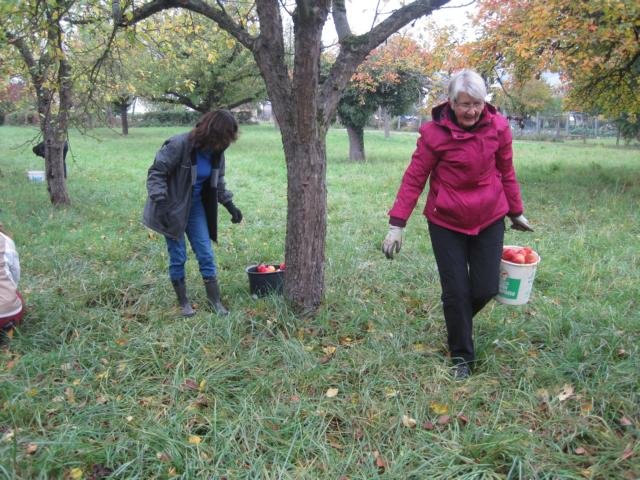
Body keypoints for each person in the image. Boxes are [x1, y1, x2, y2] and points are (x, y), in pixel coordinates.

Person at [382, 69, 533, 379]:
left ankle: (457, 321)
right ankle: (462, 356)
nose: (471, 111)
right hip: (446, 222)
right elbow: (414, 178)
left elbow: (506, 170)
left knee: (487, 287)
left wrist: (515, 212)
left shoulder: (499, 128)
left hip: (489, 217)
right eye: (464, 104)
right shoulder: (433, 134)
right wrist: (397, 224)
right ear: (450, 102)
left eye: (477, 103)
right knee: (455, 291)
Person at [143, 109, 243, 317]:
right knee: (178, 255)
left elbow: (218, 182)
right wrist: (161, 203)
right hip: (171, 206)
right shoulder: (179, 145)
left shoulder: (217, 152)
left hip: (196, 206)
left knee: (205, 253)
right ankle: (183, 303)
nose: (227, 143)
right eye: (224, 137)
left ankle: (214, 301)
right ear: (212, 132)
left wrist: (229, 205)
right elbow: (156, 173)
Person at [0, 223, 24, 332]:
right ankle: (8, 326)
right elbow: (15, 275)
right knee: (15, 295)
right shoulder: (5, 240)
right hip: (8, 311)